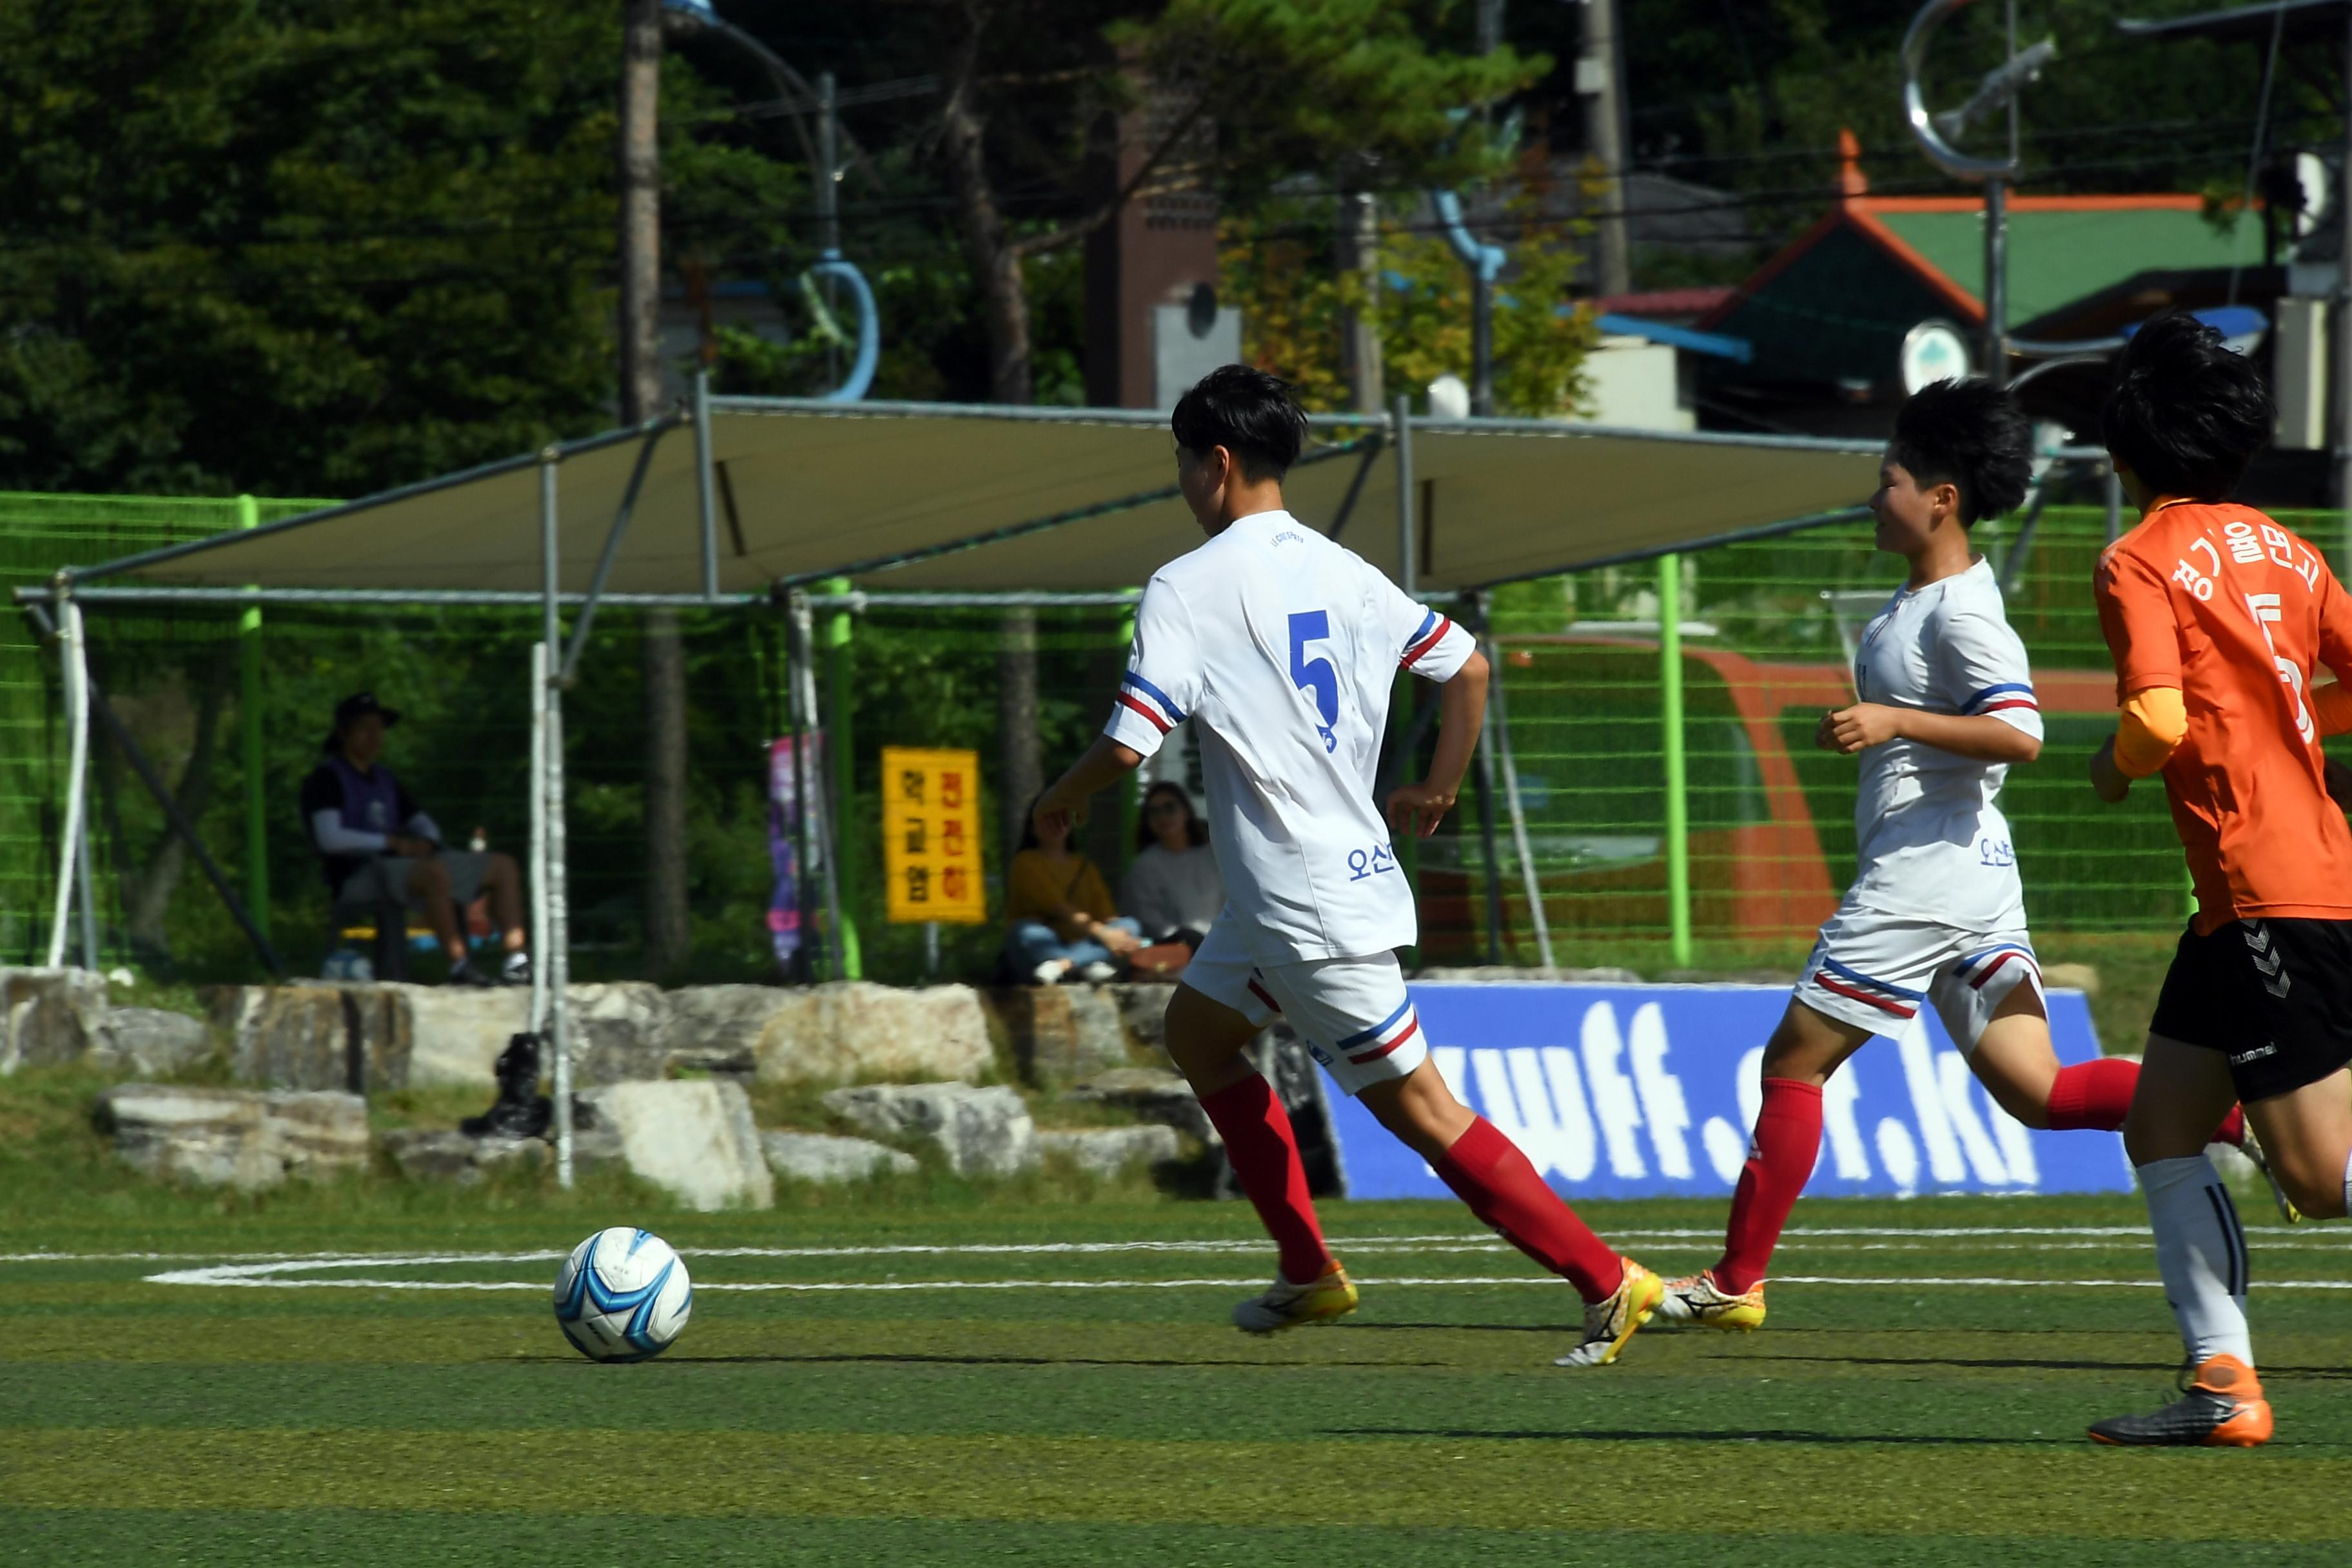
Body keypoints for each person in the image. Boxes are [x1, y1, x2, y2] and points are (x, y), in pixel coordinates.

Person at [1034, 364, 1665, 1367]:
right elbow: (1470, 665)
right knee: (1198, 1036)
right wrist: (1440, 784)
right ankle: (1308, 1271)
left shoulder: (1187, 586)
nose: (1184, 483)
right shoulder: (1342, 568)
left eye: (1185, 463)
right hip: (1313, 881)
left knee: (1423, 1110)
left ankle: (1607, 1280)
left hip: (1302, 902)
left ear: (1220, 463)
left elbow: (1127, 745)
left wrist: (1058, 798)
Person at [1647, 377, 2263, 1343]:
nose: (1872, 493)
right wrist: (1888, 731)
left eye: (1888, 476)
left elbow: (2021, 732)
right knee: (2041, 1092)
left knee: (1793, 1063)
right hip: (1965, 871)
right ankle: (2235, 1115)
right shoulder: (1919, 600)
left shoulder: (1963, 612)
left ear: (1941, 496)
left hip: (1924, 878)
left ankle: (1737, 1281)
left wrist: (1892, 720)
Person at [2082, 313, 2352, 1447]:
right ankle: (2219, 1382)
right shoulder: (2287, 549)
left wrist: (2112, 765)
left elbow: (2150, 716)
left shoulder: (2136, 557)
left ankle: (2222, 1380)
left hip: (2258, 884)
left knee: (2315, 1169)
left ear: (2123, 441)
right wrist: (2280, 718)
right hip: (2287, 877)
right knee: (2161, 1123)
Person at [300, 692, 529, 986]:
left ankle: (516, 961)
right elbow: (329, 838)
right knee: (432, 873)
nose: (375, 736)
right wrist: (394, 844)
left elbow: (423, 823)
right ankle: (460, 964)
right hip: (358, 875)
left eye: (379, 728)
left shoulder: (385, 779)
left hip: (407, 867)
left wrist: (428, 841)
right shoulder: (326, 779)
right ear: (344, 733)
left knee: (503, 866)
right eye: (365, 728)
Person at [1004, 795, 1142, 985]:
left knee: (1131, 925)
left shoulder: (1085, 866)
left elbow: (1107, 915)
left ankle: (1064, 965)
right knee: (1028, 932)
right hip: (1044, 944)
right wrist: (1105, 935)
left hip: (1080, 942)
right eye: (1046, 817)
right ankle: (1085, 963)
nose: (1054, 823)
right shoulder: (1025, 862)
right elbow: (1061, 908)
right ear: (1033, 824)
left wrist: (1123, 936)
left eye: (1060, 816)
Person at [1123, 781, 1223, 946]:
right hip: (1174, 950)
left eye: (1169, 808)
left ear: (1186, 811)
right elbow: (1150, 921)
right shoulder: (1145, 865)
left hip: (1225, 945)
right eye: (1154, 812)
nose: (1162, 816)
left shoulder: (1214, 855)